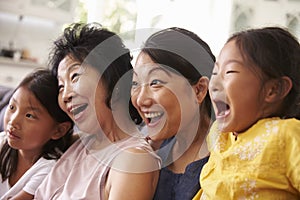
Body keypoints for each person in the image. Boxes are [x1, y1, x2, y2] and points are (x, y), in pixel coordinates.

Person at [35, 22, 161, 199]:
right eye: (61, 86)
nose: (65, 95)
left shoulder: (133, 161)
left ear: (114, 81)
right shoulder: (78, 144)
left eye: (75, 76)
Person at [193, 27, 300, 199]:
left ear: (273, 90)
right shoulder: (219, 136)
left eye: (229, 72)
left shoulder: (288, 135)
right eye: (215, 72)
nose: (213, 84)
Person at [130, 27, 215, 200]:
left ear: (198, 90)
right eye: (135, 84)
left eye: (155, 82)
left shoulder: (228, 158)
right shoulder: (146, 151)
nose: (140, 100)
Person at [0, 69, 74, 200]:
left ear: (58, 130)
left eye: (29, 116)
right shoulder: (2, 142)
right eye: (12, 107)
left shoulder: (50, 168)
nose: (13, 122)